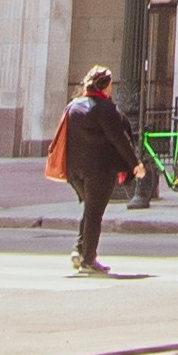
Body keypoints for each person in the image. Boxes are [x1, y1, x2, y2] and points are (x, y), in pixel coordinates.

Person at [53, 67, 135, 276]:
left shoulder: (73, 107)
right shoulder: (105, 109)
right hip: (99, 170)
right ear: (106, 86)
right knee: (94, 213)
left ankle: (79, 250)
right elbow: (120, 139)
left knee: (90, 209)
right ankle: (88, 259)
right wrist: (135, 164)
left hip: (74, 171)